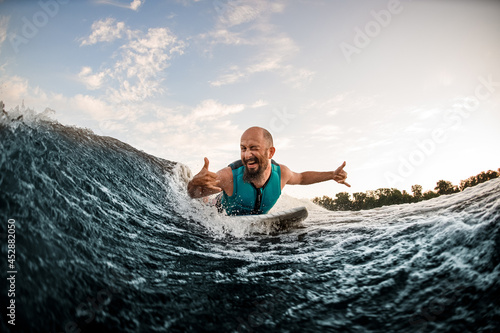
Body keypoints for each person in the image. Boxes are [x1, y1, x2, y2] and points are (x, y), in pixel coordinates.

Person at [187, 126, 350, 215]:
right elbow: (193, 194)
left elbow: (301, 178)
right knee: (206, 202)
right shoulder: (229, 176)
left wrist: (331, 175)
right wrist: (194, 183)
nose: (247, 154)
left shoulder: (281, 174)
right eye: (243, 148)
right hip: (217, 213)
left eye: (253, 148)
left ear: (270, 152)